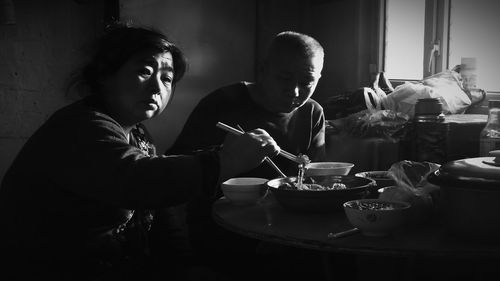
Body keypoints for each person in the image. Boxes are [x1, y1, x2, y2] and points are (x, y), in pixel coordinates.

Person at [0, 23, 280, 281]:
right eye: (144, 71)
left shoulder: (137, 134)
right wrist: (226, 160)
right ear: (106, 75)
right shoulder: (79, 126)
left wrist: (182, 266)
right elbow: (138, 180)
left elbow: (157, 210)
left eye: (167, 78)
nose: (158, 87)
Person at [166, 31, 328, 279]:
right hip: (222, 227)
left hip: (286, 225)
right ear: (263, 70)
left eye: (307, 81)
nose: (295, 91)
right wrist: (229, 156)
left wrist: (282, 229)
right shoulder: (223, 103)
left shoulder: (313, 113)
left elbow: (312, 180)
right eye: (284, 78)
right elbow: (174, 170)